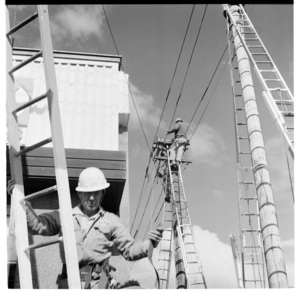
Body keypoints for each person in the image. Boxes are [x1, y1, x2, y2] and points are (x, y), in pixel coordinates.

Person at [7, 167, 163, 289]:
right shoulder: (65, 216)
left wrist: (148, 244)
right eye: (87, 193)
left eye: (96, 193)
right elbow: (37, 226)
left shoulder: (111, 221)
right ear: (80, 194)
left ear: (102, 194)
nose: (92, 198)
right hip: (71, 281)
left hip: (100, 282)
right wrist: (20, 202)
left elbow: (129, 250)